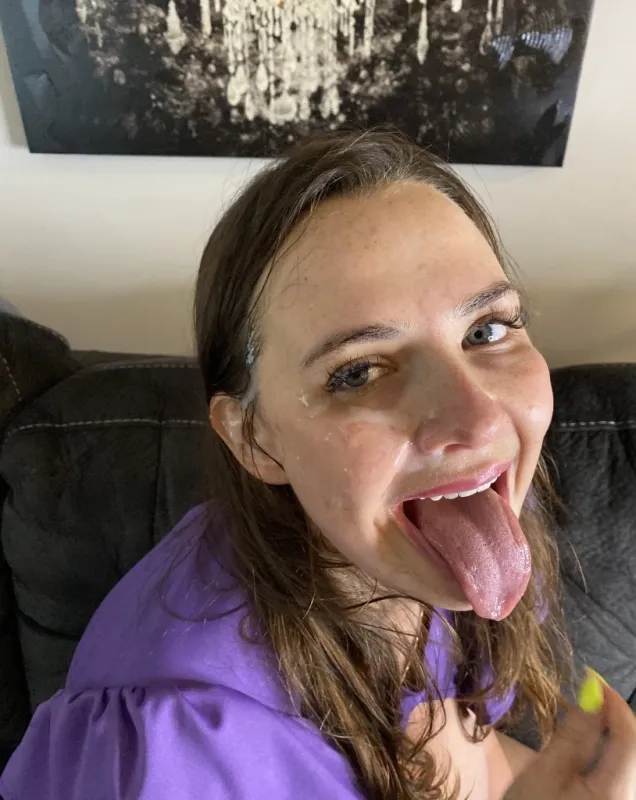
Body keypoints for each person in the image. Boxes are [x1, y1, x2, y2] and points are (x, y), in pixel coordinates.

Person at [1, 130, 635, 800]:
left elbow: (458, 743)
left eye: (486, 330)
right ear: (256, 439)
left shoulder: (461, 518)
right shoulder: (179, 746)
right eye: (358, 372)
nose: (480, 424)